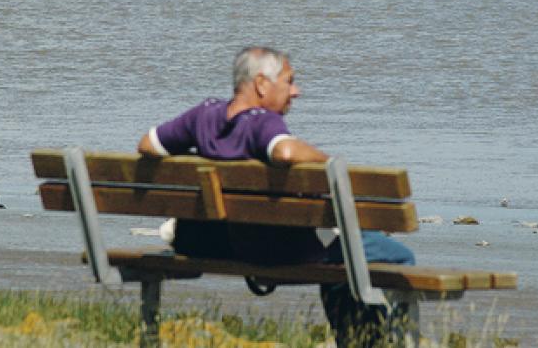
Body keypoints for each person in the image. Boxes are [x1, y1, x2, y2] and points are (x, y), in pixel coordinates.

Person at [138, 47, 416, 345]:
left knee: (345, 262)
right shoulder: (262, 121)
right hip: (286, 250)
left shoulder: (204, 115)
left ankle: (360, 340)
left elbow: (148, 144)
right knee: (399, 257)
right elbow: (283, 151)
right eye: (289, 81)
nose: (295, 91)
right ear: (261, 84)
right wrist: (332, 163)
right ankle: (381, 341)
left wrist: (204, 153)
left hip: (233, 245)